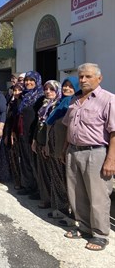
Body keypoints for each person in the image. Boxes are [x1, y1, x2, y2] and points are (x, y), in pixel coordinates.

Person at [62, 63, 115, 251]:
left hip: (97, 152)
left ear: (99, 78)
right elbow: (69, 127)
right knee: (76, 193)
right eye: (81, 76)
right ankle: (83, 227)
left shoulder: (108, 99)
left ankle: (100, 234)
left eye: (88, 76)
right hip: (73, 151)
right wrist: (66, 148)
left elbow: (114, 132)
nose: (83, 80)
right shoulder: (74, 101)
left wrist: (111, 159)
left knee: (98, 195)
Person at [44, 77, 79, 223]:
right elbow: (49, 123)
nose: (67, 89)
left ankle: (71, 213)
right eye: (65, 86)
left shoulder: (73, 103)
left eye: (71, 86)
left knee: (66, 180)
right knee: (57, 177)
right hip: (54, 145)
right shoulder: (60, 102)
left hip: (63, 147)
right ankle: (60, 208)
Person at [33, 80, 61, 209]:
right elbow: (38, 124)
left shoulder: (58, 106)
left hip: (50, 144)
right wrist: (34, 140)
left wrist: (47, 144)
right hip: (40, 141)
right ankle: (46, 199)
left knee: (53, 174)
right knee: (42, 172)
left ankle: (57, 203)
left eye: (52, 89)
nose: (48, 92)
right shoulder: (44, 105)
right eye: (46, 89)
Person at [16, 71, 44, 198]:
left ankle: (39, 189)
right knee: (25, 160)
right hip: (22, 132)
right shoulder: (23, 96)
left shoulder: (40, 97)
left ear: (37, 81)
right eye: (26, 80)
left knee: (35, 162)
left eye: (31, 80)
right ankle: (28, 186)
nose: (28, 82)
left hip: (32, 134)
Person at [4, 83, 24, 189]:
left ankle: (23, 182)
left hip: (21, 135)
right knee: (14, 157)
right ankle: (17, 181)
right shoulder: (12, 103)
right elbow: (9, 120)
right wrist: (8, 134)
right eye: (14, 90)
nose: (16, 93)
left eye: (19, 90)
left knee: (22, 159)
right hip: (12, 133)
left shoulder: (24, 103)